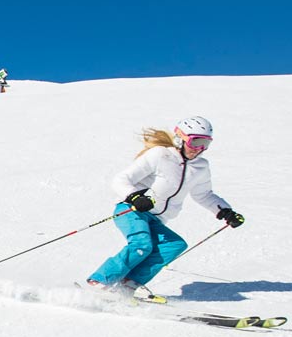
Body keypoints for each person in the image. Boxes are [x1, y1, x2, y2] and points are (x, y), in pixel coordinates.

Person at [85, 116, 243, 300]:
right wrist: (134, 197)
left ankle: (128, 284)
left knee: (174, 245)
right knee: (142, 244)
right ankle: (99, 281)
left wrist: (225, 211)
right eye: (196, 141)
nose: (200, 149)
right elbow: (121, 179)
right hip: (131, 210)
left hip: (156, 219)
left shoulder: (200, 167)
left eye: (206, 143)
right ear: (180, 139)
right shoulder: (161, 155)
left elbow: (204, 195)